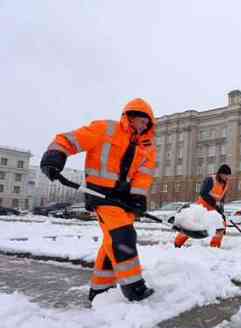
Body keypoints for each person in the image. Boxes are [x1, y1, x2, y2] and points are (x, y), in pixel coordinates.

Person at [40, 98, 157, 303]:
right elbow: (68, 139)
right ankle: (134, 287)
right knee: (123, 235)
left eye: (147, 123)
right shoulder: (106, 129)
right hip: (100, 194)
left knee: (111, 241)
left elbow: (143, 175)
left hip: (124, 199)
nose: (144, 126)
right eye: (141, 121)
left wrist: (138, 198)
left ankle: (100, 289)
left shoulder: (147, 146)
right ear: (130, 116)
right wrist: (54, 157)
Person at [174, 164, 231, 248]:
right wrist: (214, 204)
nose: (227, 177)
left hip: (214, 209)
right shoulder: (210, 180)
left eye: (228, 176)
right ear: (220, 174)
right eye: (225, 175)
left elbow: (221, 198)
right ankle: (177, 243)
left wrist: (221, 209)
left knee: (221, 226)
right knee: (192, 227)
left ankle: (215, 246)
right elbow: (203, 193)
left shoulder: (225, 184)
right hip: (202, 207)